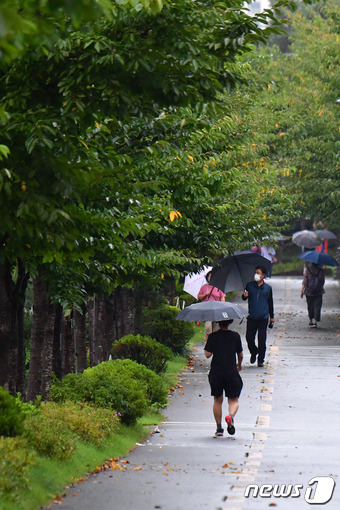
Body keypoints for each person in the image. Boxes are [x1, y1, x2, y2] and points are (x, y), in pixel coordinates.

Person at [204, 320, 243, 437]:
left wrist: (209, 341)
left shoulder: (213, 336)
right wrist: (239, 364)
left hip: (216, 372)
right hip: (231, 371)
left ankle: (219, 428)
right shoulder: (235, 336)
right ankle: (230, 417)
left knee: (217, 400)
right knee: (234, 400)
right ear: (229, 322)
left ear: (218, 323)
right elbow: (240, 354)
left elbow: (207, 354)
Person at [241, 265, 274, 367]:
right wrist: (244, 295)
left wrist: (272, 317)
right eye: (255, 273)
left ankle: (261, 359)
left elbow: (270, 302)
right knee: (249, 338)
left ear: (263, 275)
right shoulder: (249, 285)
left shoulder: (268, 288)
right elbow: (244, 298)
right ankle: (254, 351)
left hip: (263, 317)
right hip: (251, 317)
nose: (256, 275)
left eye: (258, 273)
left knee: (262, 339)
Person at [197, 270, 226, 341]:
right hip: (207, 311)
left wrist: (222, 308)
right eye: (210, 276)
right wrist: (205, 294)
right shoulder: (204, 287)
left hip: (217, 310)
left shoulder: (219, 287)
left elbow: (222, 297)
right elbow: (199, 297)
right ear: (207, 278)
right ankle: (208, 345)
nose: (211, 278)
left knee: (216, 329)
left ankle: (215, 345)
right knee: (208, 328)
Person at [301, 262, 325, 328]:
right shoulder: (320, 270)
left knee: (310, 306)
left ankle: (311, 320)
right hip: (318, 291)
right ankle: (315, 321)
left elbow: (305, 281)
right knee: (317, 306)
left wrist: (302, 291)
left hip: (309, 291)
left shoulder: (308, 270)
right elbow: (322, 281)